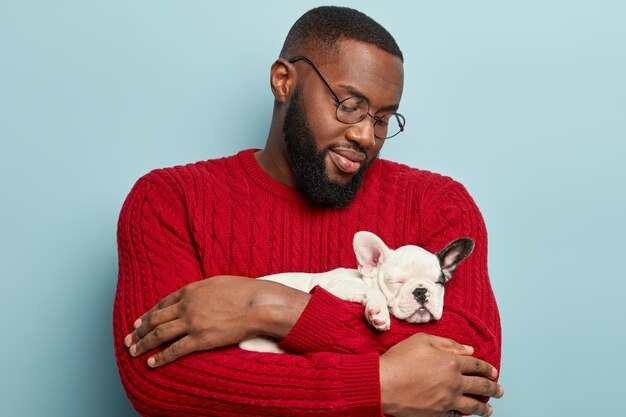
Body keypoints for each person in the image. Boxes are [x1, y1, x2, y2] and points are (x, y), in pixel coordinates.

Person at [114, 6, 503, 417]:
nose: (364, 135)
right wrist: (383, 384)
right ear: (284, 81)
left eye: (384, 119)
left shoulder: (438, 203)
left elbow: (476, 367)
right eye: (349, 105)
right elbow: (159, 383)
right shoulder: (168, 200)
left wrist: (269, 307)